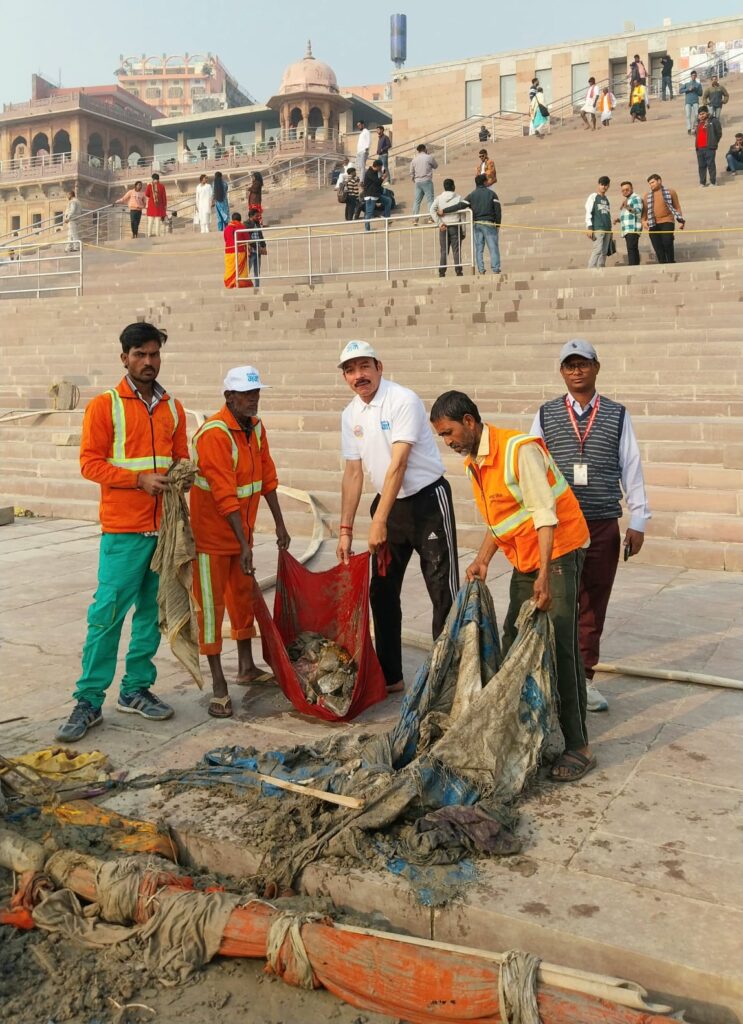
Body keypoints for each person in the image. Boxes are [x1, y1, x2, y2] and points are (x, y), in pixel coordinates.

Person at [430, 391, 594, 783]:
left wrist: (544, 574)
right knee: (513, 634)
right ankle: (520, 726)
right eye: (441, 436)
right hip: (526, 555)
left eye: (450, 432)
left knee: (561, 644)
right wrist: (484, 558)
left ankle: (579, 745)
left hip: (558, 551)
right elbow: (500, 519)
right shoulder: (476, 462)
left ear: (469, 421)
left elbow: (544, 514)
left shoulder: (518, 450)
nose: (448, 441)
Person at [55, 323, 188, 742]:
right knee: (107, 615)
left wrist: (182, 474)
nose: (148, 362)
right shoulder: (104, 406)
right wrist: (138, 481)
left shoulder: (173, 408)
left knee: (151, 616)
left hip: (163, 533)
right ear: (124, 358)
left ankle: (135, 689)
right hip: (124, 531)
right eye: (140, 355)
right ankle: (89, 699)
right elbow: (89, 464)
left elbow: (180, 456)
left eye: (154, 354)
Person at [530, 340, 651, 713]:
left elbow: (631, 465)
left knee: (593, 603)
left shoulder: (617, 414)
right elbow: (532, 464)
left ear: (597, 368)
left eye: (583, 364)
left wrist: (639, 518)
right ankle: (550, 677)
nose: (576, 371)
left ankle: (582, 681)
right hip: (561, 525)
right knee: (558, 601)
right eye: (569, 365)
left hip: (601, 523)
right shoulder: (546, 414)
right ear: (562, 372)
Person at [337, 340, 459, 693]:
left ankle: (446, 674)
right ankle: (391, 676)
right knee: (382, 590)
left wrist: (378, 522)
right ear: (345, 377)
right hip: (389, 505)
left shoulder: (403, 399)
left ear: (379, 366)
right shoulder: (350, 415)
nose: (359, 376)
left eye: (364, 367)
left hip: (427, 503)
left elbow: (399, 463)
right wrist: (346, 529)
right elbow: (353, 473)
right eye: (350, 370)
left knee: (442, 589)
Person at [190, 366, 290, 718]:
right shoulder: (214, 434)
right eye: (246, 395)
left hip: (241, 535)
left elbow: (267, 476)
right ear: (228, 397)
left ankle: (246, 667)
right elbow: (224, 494)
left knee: (244, 600)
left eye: (257, 393)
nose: (253, 399)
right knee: (211, 609)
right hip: (212, 540)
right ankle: (219, 682)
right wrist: (244, 545)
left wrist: (280, 524)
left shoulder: (256, 427)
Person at [643, 174, 685, 265]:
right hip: (653, 223)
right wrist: (643, 221)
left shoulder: (670, 192)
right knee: (657, 245)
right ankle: (662, 263)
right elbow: (645, 211)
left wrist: (681, 220)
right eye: (650, 184)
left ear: (659, 181)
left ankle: (670, 261)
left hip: (667, 220)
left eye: (653, 182)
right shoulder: (647, 195)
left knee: (667, 241)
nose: (651, 185)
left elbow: (677, 207)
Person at [430, 177, 468, 277]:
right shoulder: (458, 198)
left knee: (443, 250)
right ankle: (458, 271)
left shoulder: (439, 198)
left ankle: (442, 272)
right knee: (456, 250)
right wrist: (463, 231)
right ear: (453, 186)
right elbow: (463, 215)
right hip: (455, 225)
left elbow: (432, 210)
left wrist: (439, 223)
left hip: (443, 227)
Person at [464, 174, 501, 274]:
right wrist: (498, 225)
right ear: (485, 182)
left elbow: (461, 205)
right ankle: (495, 268)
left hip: (477, 224)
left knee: (479, 248)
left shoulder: (471, 195)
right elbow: (498, 211)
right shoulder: (492, 194)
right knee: (493, 247)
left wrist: (444, 210)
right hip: (489, 224)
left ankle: (481, 269)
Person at [585, 176, 612, 268]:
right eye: (602, 184)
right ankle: (590, 269)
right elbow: (588, 211)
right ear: (598, 185)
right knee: (598, 249)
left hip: (607, 228)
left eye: (606, 185)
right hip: (598, 227)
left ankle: (601, 268)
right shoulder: (593, 197)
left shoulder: (606, 199)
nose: (604, 187)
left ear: (608, 186)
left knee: (604, 251)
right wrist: (589, 227)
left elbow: (607, 214)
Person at [614, 181, 643, 266]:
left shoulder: (635, 198)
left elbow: (638, 212)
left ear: (632, 189)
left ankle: (633, 267)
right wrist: (619, 220)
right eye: (623, 190)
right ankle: (634, 266)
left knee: (631, 249)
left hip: (632, 229)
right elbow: (629, 215)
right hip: (627, 229)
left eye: (627, 189)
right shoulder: (628, 200)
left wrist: (626, 206)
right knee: (632, 248)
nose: (625, 191)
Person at [410, 144, 438, 225]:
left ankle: (415, 219)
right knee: (430, 200)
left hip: (418, 181)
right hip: (427, 180)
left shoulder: (414, 159)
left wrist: (413, 178)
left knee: (417, 201)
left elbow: (411, 171)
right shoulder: (428, 157)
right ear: (425, 149)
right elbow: (436, 166)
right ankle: (430, 218)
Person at [695, 106, 723, 187]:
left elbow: (719, 133)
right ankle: (702, 182)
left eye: (703, 113)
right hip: (699, 148)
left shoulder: (713, 120)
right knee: (701, 166)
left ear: (707, 113)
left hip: (709, 147)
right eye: (700, 114)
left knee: (711, 164)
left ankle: (713, 182)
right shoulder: (697, 122)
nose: (701, 115)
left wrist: (714, 142)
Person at [362, 160, 392, 231]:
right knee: (369, 212)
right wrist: (383, 177)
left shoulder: (374, 172)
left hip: (376, 194)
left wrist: (382, 174)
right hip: (370, 195)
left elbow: (377, 182)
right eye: (380, 167)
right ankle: (367, 229)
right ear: (378, 166)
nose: (381, 168)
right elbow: (377, 182)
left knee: (388, 201)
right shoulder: (369, 172)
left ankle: (385, 217)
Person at [223, 212, 250, 289]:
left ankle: (230, 284)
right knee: (240, 270)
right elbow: (247, 239)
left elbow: (225, 239)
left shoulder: (227, 228)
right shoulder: (241, 227)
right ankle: (240, 284)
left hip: (229, 252)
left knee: (230, 269)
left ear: (232, 219)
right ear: (240, 219)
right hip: (240, 251)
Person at [246, 206, 266, 287]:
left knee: (257, 271)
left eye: (258, 216)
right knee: (247, 270)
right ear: (251, 216)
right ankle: (244, 285)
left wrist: (263, 245)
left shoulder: (257, 223)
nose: (258, 217)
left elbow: (260, 235)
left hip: (258, 251)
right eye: (256, 216)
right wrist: (255, 246)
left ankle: (257, 286)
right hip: (251, 251)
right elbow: (247, 238)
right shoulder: (246, 224)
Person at [144, 173, 167, 237]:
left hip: (151, 206)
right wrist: (165, 206)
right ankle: (157, 235)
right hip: (159, 207)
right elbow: (164, 197)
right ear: (158, 178)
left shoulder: (150, 185)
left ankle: (149, 235)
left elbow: (147, 194)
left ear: (152, 178)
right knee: (157, 222)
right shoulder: (162, 186)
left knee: (150, 222)